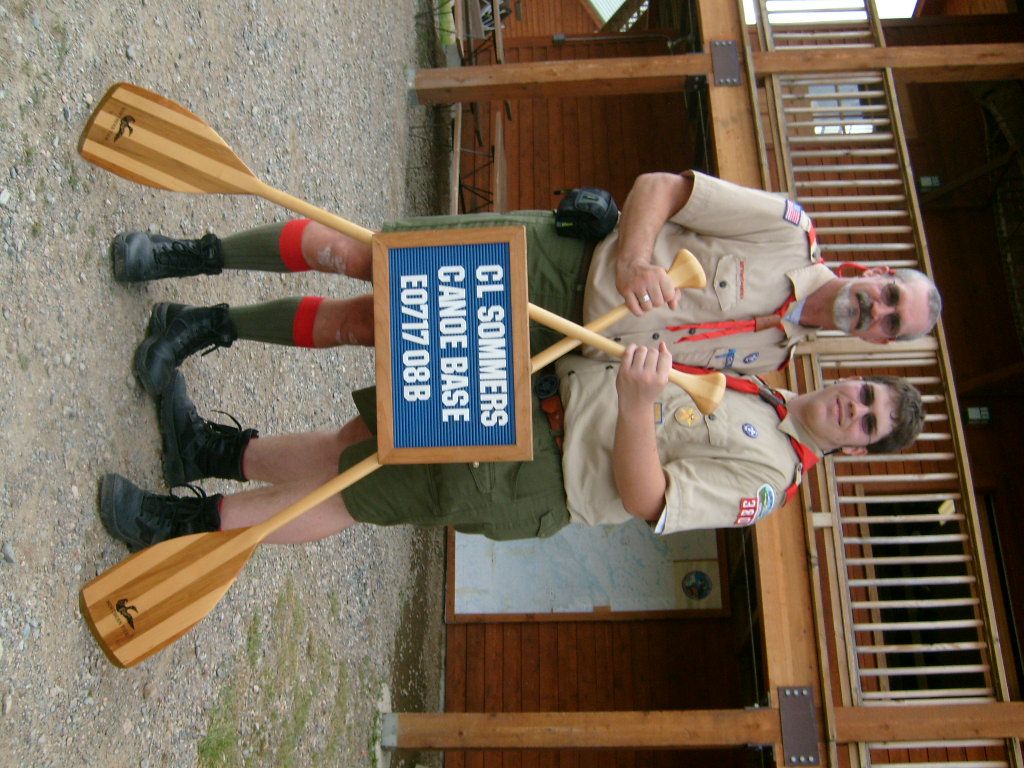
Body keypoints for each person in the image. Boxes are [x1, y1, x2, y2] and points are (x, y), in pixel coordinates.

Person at [112, 170, 943, 398]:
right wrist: (635, 259)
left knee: (362, 327)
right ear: (872, 271)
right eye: (888, 294)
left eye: (889, 324)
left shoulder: (772, 362)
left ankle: (202, 325)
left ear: (877, 343)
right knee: (364, 257)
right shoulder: (787, 230)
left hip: (550, 347)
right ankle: (191, 254)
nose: (876, 310)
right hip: (555, 263)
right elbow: (662, 187)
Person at [97, 343, 925, 550]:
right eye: (864, 393)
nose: (852, 406)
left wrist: (638, 407)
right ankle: (206, 450)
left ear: (853, 450)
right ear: (850, 376)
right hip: (529, 402)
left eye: (865, 421)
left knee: (357, 495)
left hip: (535, 476)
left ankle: (177, 527)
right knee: (363, 440)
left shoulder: (769, 478)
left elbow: (649, 500)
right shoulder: (762, 389)